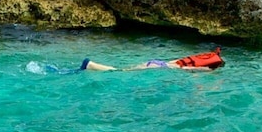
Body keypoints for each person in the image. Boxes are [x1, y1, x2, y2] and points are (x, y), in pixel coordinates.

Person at [82, 47, 225, 72]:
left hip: (157, 62)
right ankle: (91, 65)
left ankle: (90, 66)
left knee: (125, 69)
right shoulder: (205, 68)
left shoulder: (196, 57)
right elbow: (187, 69)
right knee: (121, 71)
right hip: (159, 67)